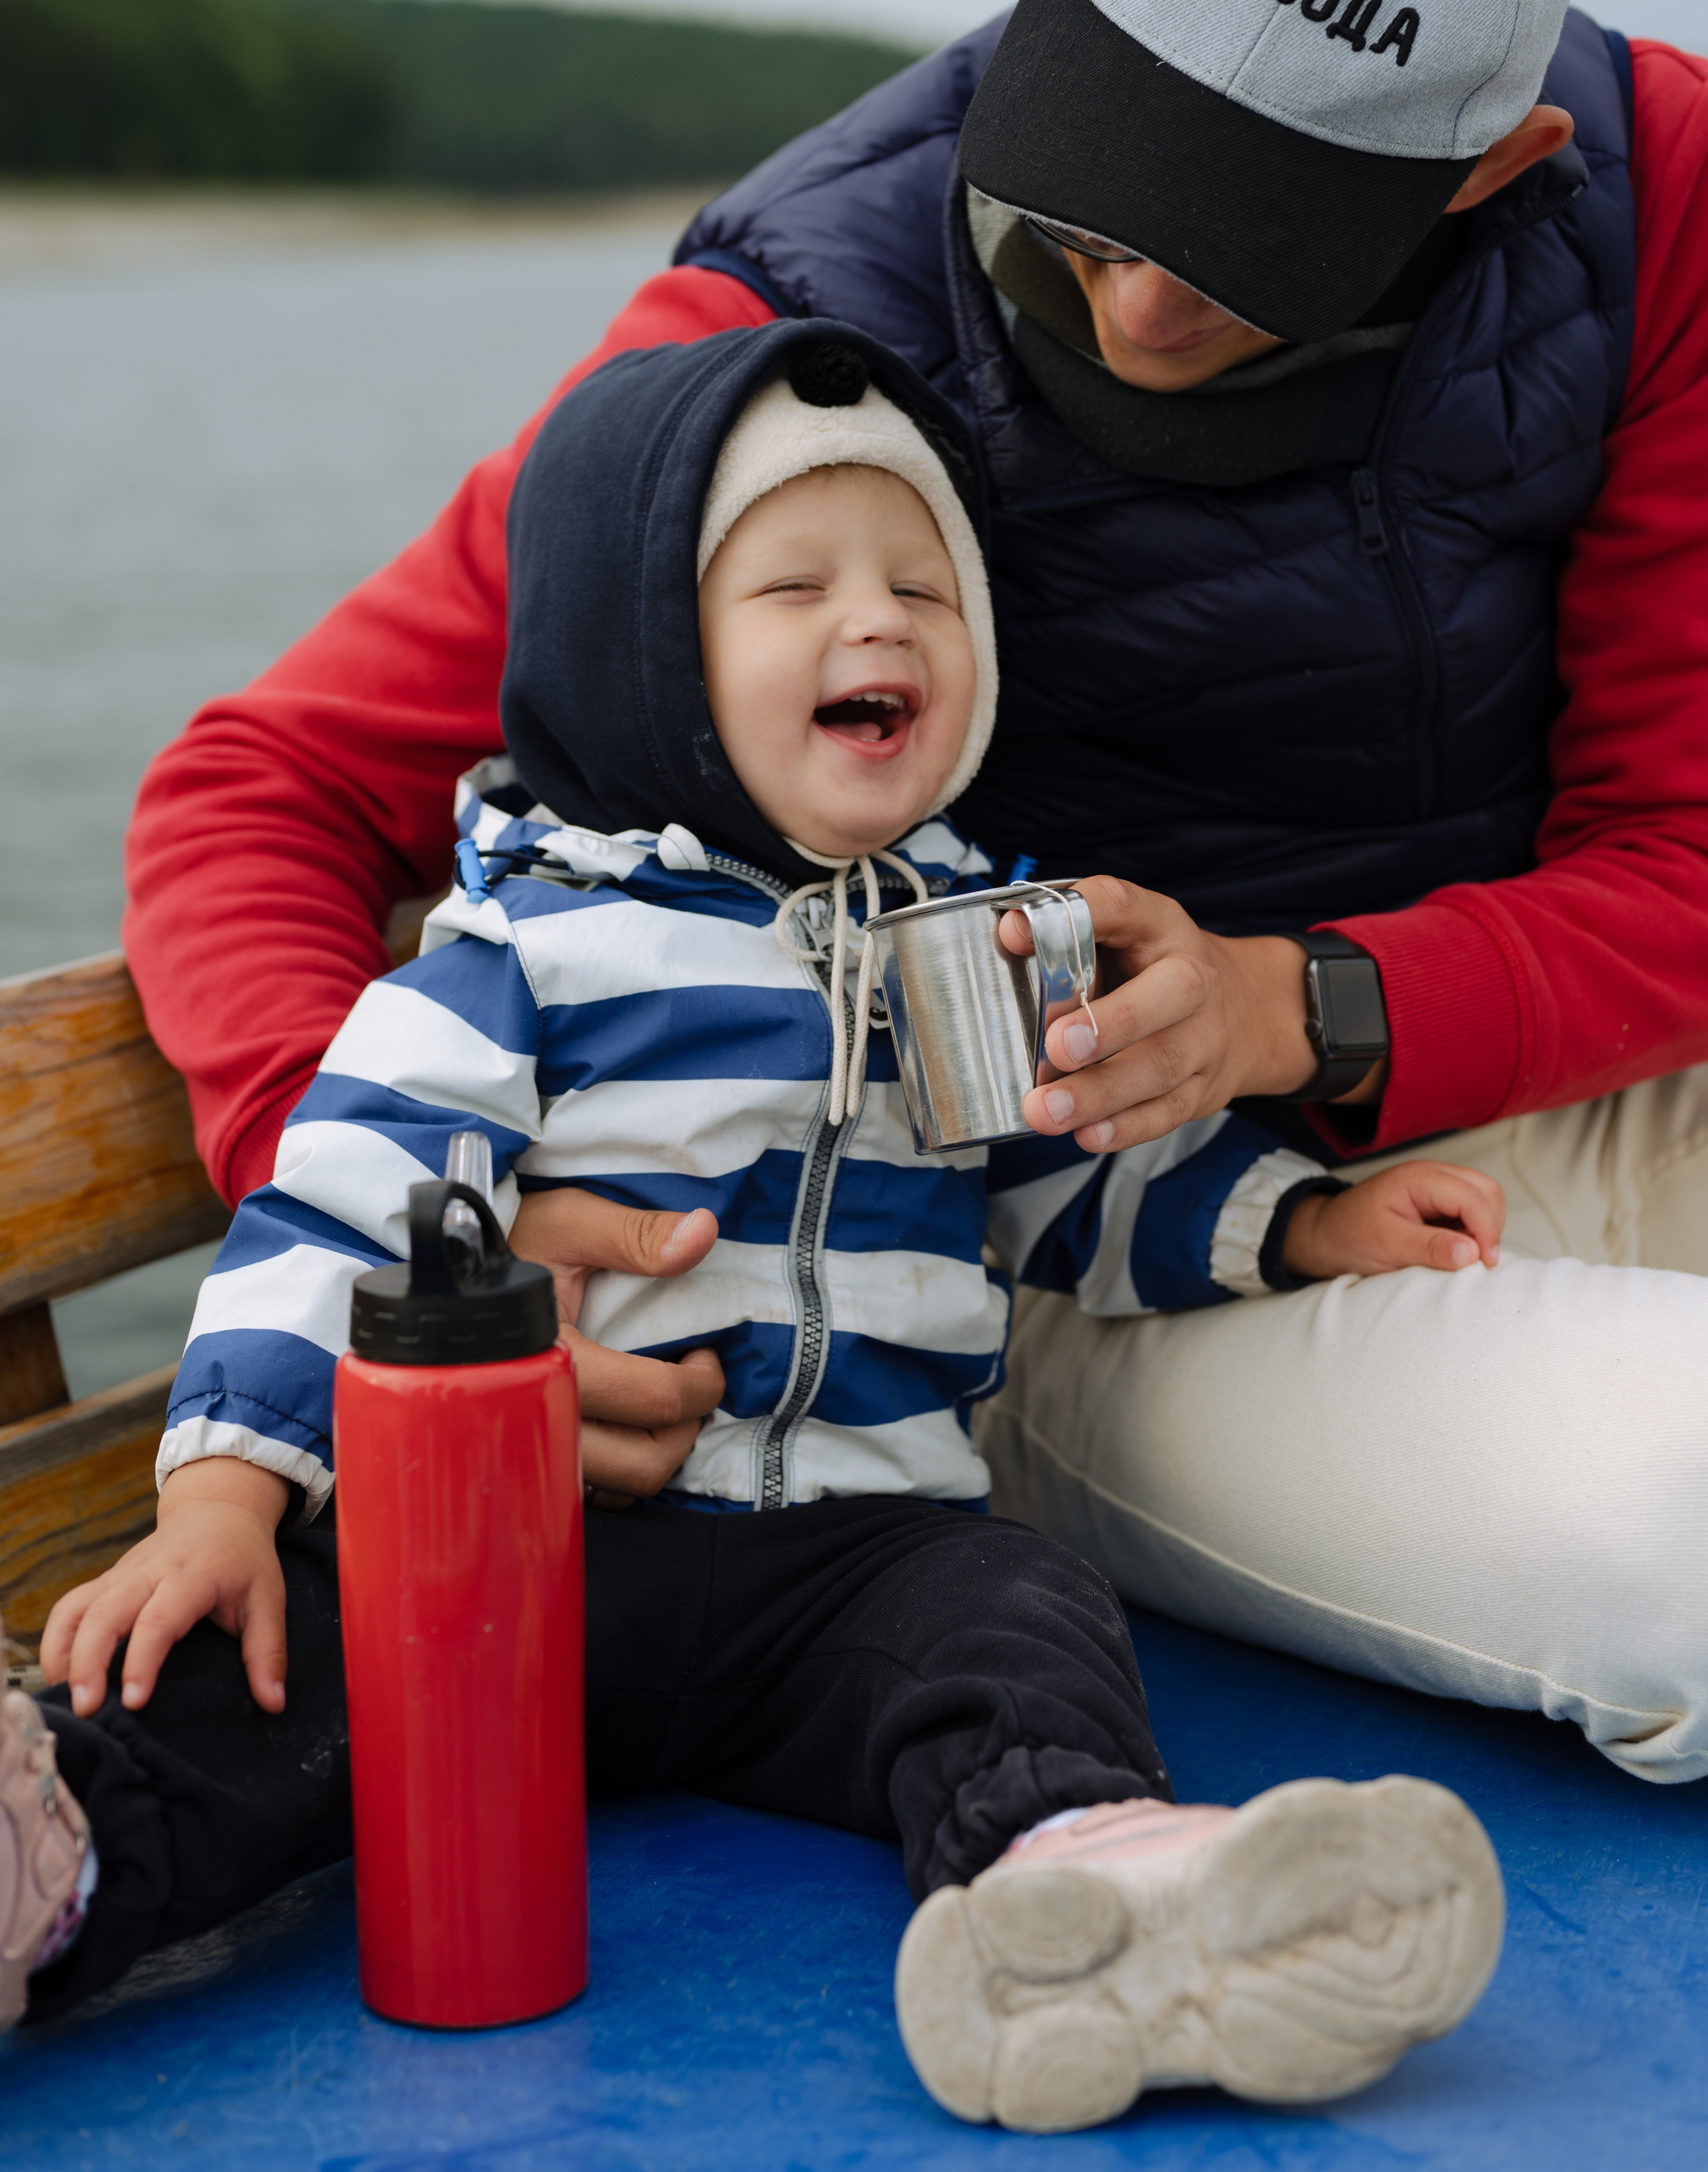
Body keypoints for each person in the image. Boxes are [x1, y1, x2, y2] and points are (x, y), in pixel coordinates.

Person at [119, 0, 1708, 1763]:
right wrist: (431, 1265)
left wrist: (1297, 1006)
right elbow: (259, 787)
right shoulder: (779, 358)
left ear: (1493, 173)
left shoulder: (1651, 199)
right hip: (1053, 1248)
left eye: (1265, 242)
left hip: (1520, 1095)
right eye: (1117, 174)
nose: (1146, 304)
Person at [8, 332, 1514, 2130]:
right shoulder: (533, 951)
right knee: (278, 1666)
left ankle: (1081, 1887)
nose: (877, 619)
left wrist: (1301, 1219)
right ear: (650, 655)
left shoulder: (974, 940)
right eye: (795, 586)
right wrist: (224, 1499)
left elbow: (1079, 1176)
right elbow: (342, 1208)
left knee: (1019, 1609)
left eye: (925, 588)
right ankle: (56, 1844)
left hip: (847, 1570)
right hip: (528, 1551)